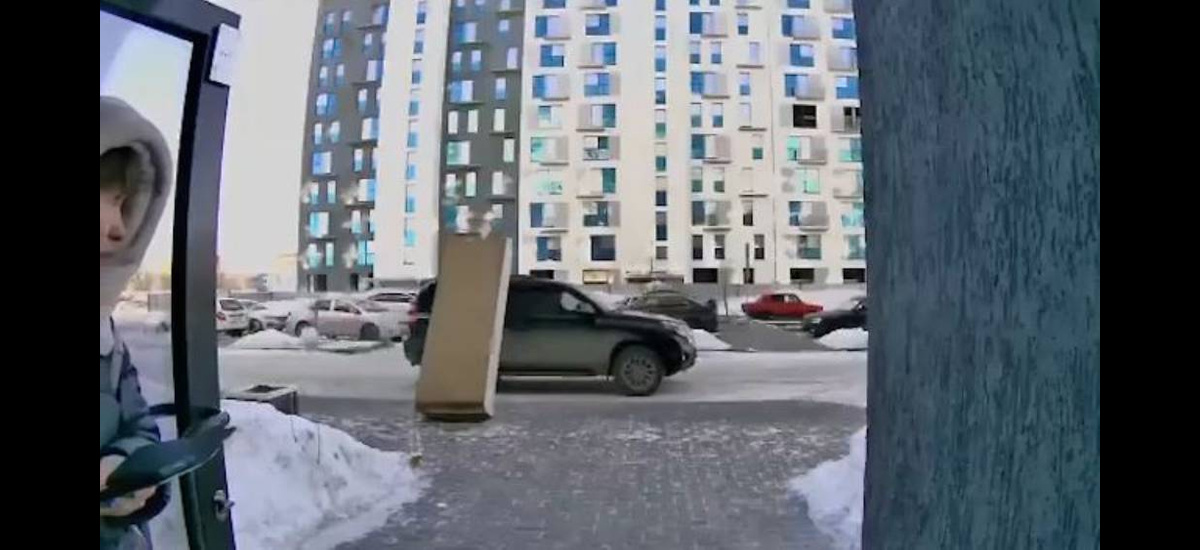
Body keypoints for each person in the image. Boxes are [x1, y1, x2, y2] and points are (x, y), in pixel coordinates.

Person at [100, 96, 174, 550]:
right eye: (109, 201)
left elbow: (141, 427)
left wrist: (127, 472)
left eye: (125, 204)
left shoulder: (106, 336)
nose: (121, 227)